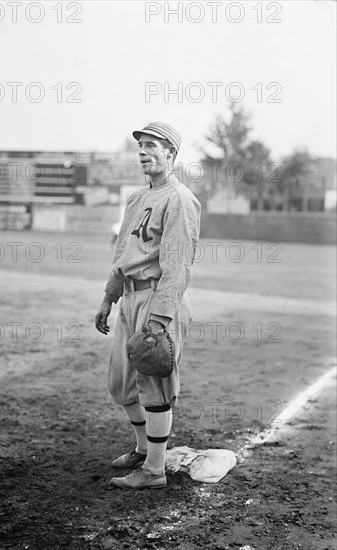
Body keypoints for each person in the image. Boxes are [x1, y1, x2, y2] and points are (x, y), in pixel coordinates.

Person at [95, 122, 201, 489]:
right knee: (120, 384)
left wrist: (158, 321)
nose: (142, 150)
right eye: (139, 145)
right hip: (129, 297)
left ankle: (154, 471)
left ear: (170, 152)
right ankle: (143, 449)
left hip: (159, 299)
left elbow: (178, 267)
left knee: (155, 386)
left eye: (151, 144)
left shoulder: (180, 200)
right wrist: (109, 297)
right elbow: (122, 252)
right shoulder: (137, 199)